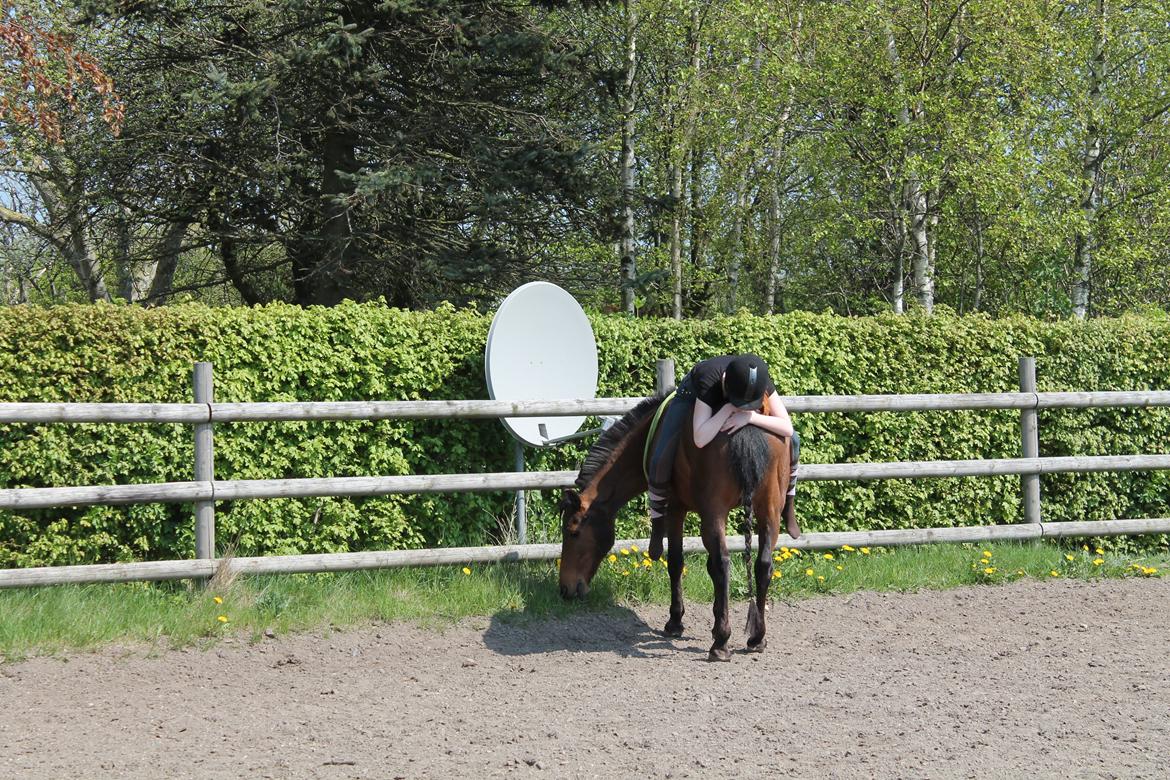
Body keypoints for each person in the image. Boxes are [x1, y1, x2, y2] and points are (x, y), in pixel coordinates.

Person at [646, 354, 801, 552]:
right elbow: (700, 438)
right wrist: (727, 409)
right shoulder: (708, 381)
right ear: (725, 382)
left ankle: (788, 502)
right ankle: (658, 521)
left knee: (794, 441)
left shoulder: (761, 378)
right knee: (661, 455)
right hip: (692, 391)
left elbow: (786, 427)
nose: (740, 408)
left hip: (740, 389)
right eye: (739, 403)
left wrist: (751, 417)